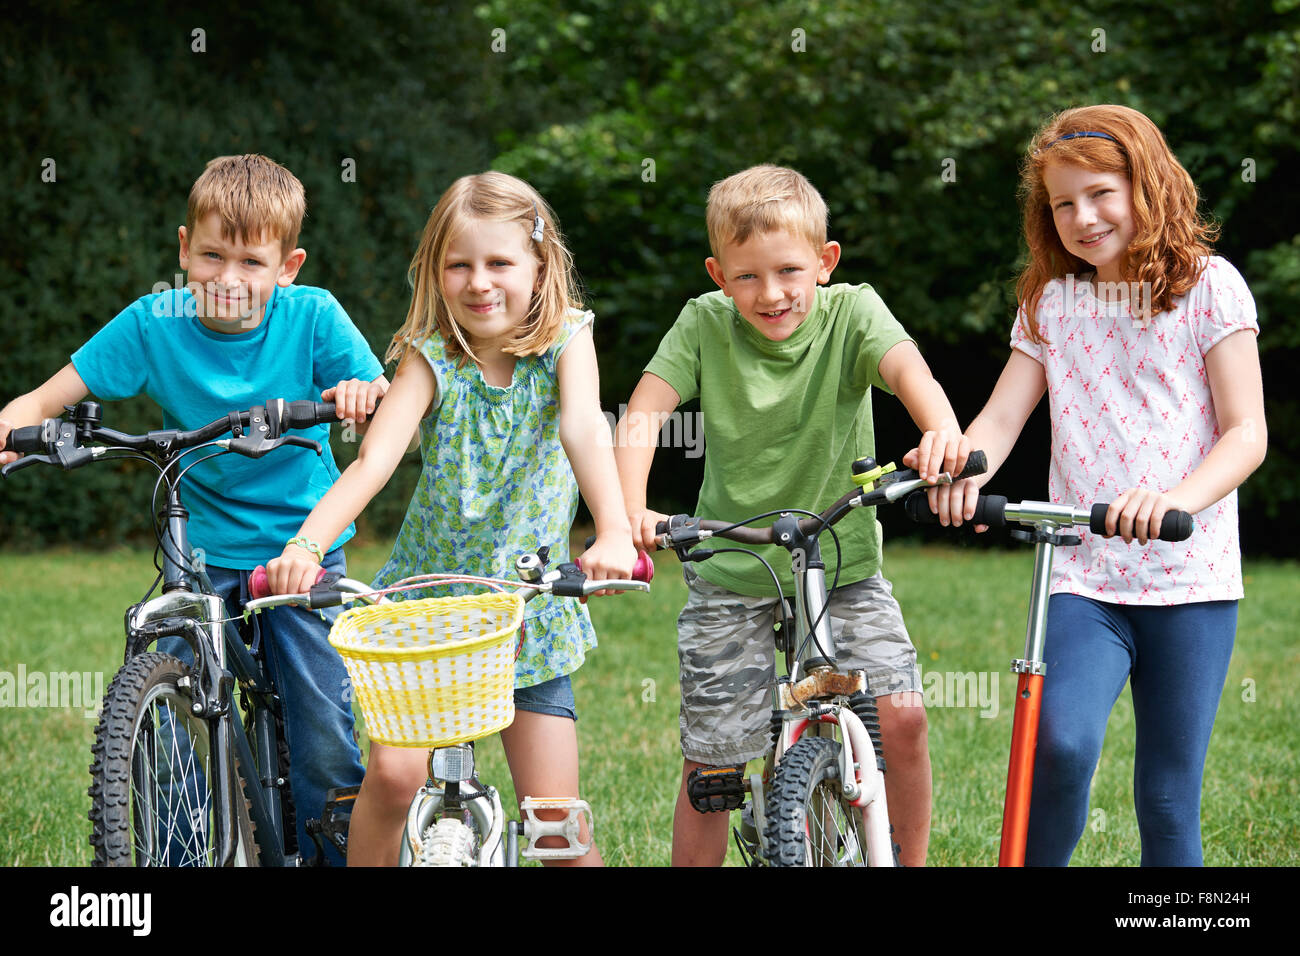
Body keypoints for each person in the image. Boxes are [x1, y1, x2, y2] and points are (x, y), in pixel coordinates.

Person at [0, 153, 388, 864]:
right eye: (211, 255)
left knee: (320, 724)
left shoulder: (314, 317)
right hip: (200, 556)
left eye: (252, 261)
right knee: (166, 706)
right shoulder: (155, 322)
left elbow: (382, 400)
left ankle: (334, 851)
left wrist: (365, 394)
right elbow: (44, 398)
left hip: (296, 550)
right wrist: (13, 425)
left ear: (288, 266)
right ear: (184, 249)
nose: (229, 279)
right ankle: (165, 856)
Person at [916, 104, 1267, 865]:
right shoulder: (1053, 301)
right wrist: (960, 466)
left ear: (1148, 183)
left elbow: (1247, 433)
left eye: (1101, 192)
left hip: (1190, 578)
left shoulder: (1212, 288)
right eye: (1062, 204)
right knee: (1060, 745)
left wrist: (1175, 499)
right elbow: (1000, 421)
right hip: (1082, 572)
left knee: (1168, 799)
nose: (1082, 216)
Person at [266, 170, 636, 866]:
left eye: (499, 262)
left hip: (527, 609)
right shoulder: (432, 356)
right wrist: (307, 544)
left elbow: (584, 429)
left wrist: (612, 530)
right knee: (395, 779)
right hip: (429, 609)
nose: (478, 282)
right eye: (459, 264)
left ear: (539, 264)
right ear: (437, 273)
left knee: (555, 819)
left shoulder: (566, 340)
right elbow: (373, 461)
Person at [615, 164, 967, 866]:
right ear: (719, 274)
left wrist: (942, 434)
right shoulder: (704, 324)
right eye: (746, 277)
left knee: (902, 716)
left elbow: (910, 373)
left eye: (788, 272)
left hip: (843, 566)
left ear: (825, 263)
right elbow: (644, 414)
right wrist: (629, 512)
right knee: (713, 763)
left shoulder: (854, 313)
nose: (770, 294)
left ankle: (910, 860)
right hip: (733, 567)